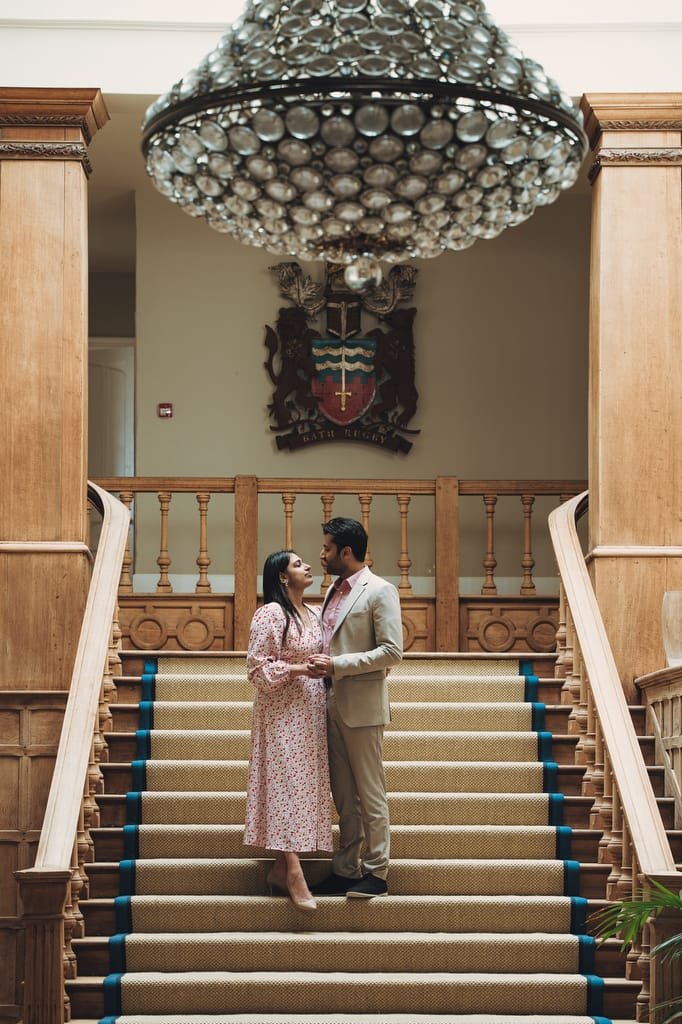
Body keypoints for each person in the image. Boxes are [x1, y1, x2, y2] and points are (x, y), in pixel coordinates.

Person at [308, 517, 403, 898]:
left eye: (327, 547)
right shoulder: (332, 589)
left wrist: (338, 665)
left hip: (361, 705)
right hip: (327, 701)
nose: (321, 554)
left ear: (345, 551)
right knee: (343, 793)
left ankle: (377, 871)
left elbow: (392, 652)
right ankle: (346, 868)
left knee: (369, 791)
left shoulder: (380, 591)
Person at [243, 549, 332, 911]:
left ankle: (281, 868)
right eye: (297, 564)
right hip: (281, 712)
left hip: (311, 711)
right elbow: (255, 670)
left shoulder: (313, 613)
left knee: (302, 789)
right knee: (284, 785)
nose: (308, 566)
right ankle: (294, 871)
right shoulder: (271, 613)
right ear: (282, 577)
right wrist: (297, 670)